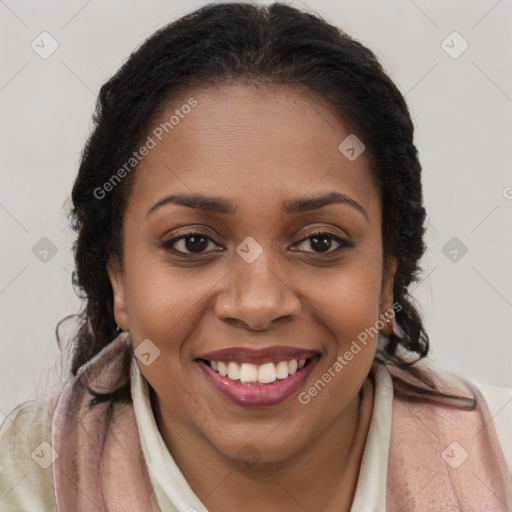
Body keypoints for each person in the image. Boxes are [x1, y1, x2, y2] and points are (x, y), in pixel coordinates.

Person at [1, 2, 511, 511]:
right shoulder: (24, 485)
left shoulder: (499, 459)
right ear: (119, 281)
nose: (257, 304)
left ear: (387, 279)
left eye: (320, 242)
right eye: (193, 242)